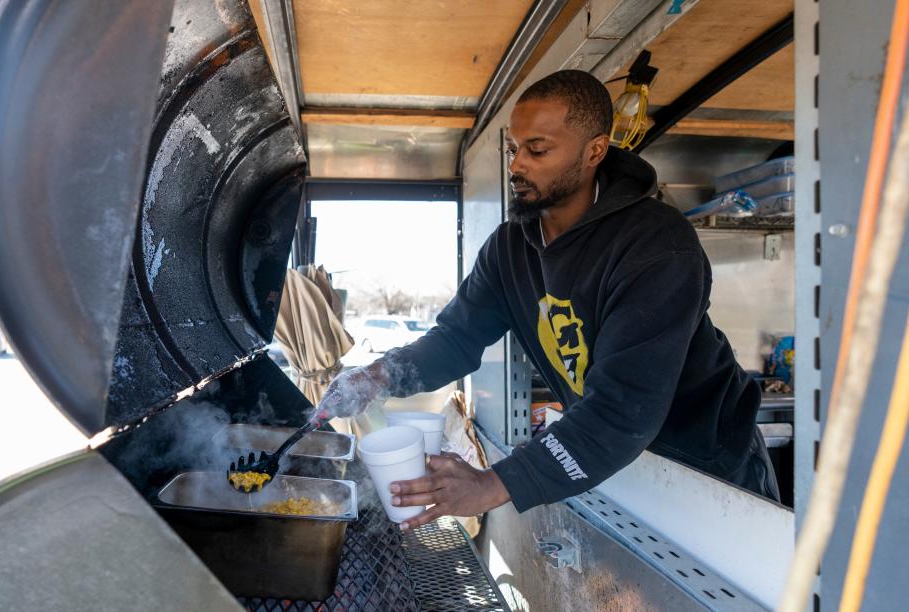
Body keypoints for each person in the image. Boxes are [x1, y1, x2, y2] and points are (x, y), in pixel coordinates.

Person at [313, 70, 780, 531]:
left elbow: (622, 410)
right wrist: (376, 377)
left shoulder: (655, 244)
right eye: (514, 149)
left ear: (595, 151)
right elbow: (456, 339)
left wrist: (493, 484)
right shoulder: (510, 247)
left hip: (710, 468)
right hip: (620, 459)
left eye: (537, 150)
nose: (516, 165)